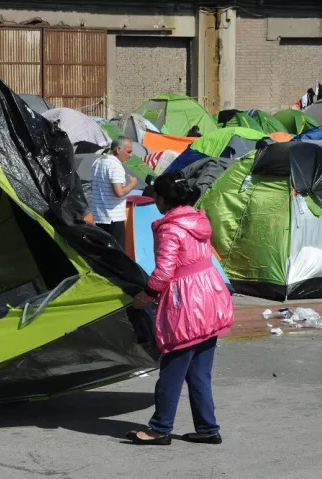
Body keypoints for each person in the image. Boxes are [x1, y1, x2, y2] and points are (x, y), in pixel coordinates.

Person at [126, 173, 234, 445]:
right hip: (212, 296)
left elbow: (163, 273)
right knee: (199, 372)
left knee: (171, 371)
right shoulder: (199, 220)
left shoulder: (170, 228)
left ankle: (159, 428)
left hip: (186, 303)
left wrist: (144, 297)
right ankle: (207, 428)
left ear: (162, 199)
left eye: (156, 198)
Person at [91, 136, 138, 249]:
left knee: (103, 252)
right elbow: (119, 192)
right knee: (118, 253)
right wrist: (132, 184)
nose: (130, 155)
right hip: (113, 218)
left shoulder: (97, 162)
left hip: (100, 216)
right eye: (129, 152)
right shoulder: (116, 166)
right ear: (118, 150)